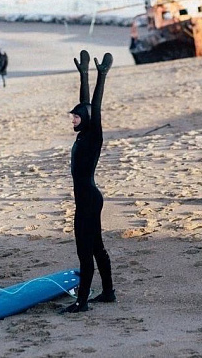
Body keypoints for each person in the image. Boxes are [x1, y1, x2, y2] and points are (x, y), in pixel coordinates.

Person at [62, 50, 115, 314]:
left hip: (89, 202)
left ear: (85, 120)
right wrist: (83, 73)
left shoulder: (93, 135)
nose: (73, 119)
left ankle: (82, 301)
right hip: (88, 200)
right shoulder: (84, 134)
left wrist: (101, 75)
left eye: (76, 116)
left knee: (86, 252)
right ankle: (108, 292)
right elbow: (86, 104)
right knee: (96, 248)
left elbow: (96, 106)